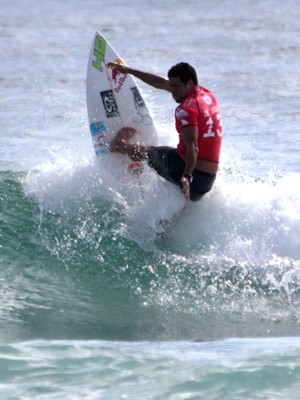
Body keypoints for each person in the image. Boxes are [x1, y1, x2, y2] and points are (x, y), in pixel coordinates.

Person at [107, 61, 223, 201]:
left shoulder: (186, 110)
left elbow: (193, 146)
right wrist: (129, 70)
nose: (172, 90)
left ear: (190, 83)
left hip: (189, 175)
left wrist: (187, 176)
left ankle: (119, 145)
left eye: (176, 86)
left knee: (149, 152)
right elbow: (160, 83)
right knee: (166, 154)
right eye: (171, 85)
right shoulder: (208, 96)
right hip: (207, 181)